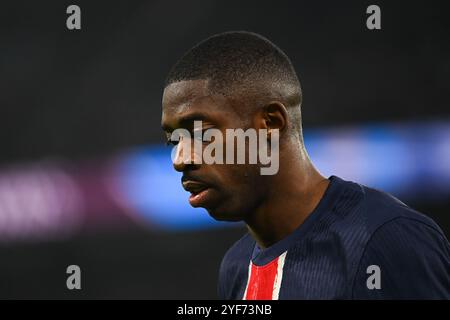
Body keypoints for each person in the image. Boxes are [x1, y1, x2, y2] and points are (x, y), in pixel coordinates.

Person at [161, 31, 450, 299]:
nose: (180, 159)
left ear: (271, 123)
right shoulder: (235, 268)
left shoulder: (384, 239)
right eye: (174, 141)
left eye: (201, 133)